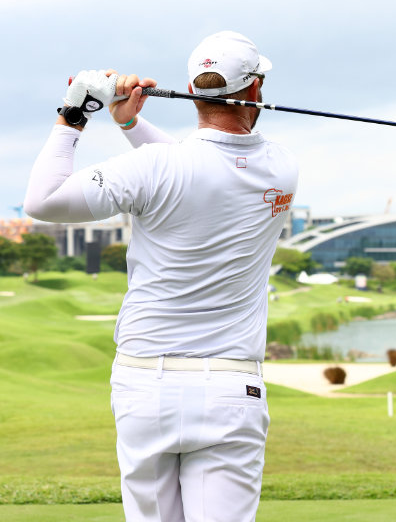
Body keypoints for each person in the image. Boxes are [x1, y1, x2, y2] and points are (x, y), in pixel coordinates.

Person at [23, 31, 298, 521]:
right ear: (255, 91)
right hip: (232, 390)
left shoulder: (152, 166)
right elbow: (203, 169)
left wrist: (74, 116)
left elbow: (43, 202)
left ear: (193, 92)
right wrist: (131, 123)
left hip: (143, 384)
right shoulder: (281, 167)